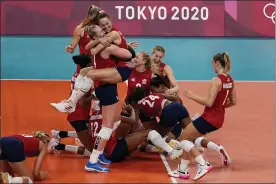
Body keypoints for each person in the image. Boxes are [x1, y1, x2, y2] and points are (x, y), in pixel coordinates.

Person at [169, 52, 235, 180]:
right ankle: (182, 170)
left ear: (216, 63)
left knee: (183, 139)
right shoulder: (230, 80)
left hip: (209, 118)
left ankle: (202, 164)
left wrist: (192, 96)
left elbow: (209, 102)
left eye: (212, 63)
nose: (212, 66)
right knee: (189, 139)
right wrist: (219, 107)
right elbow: (233, 101)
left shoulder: (216, 80)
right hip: (218, 119)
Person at [128, 87, 212, 181]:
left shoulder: (138, 107)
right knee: (190, 134)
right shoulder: (152, 95)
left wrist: (134, 132)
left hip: (168, 113)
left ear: (133, 103)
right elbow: (175, 97)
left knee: (156, 135)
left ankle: (181, 153)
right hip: (178, 107)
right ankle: (212, 149)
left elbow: (133, 123)